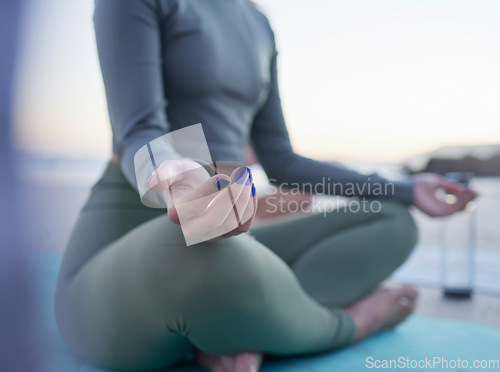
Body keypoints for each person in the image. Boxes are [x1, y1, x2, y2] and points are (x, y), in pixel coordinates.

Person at [54, 1, 477, 371]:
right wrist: (174, 174)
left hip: (226, 233)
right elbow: (139, 130)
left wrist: (405, 189)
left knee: (392, 221)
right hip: (134, 249)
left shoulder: (257, 22)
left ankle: (236, 325)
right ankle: (350, 324)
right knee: (198, 246)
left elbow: (280, 160)